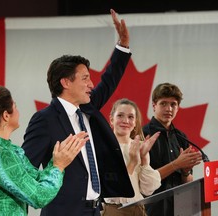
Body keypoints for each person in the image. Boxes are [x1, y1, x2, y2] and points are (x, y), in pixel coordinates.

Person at [21, 9, 134, 216]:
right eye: (84, 78)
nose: (91, 84)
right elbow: (24, 171)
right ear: (65, 82)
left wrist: (123, 45)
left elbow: (109, 81)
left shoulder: (87, 108)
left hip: (94, 211)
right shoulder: (44, 120)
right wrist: (55, 169)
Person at [0, 86, 88, 216]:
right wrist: (58, 165)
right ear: (6, 115)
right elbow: (39, 197)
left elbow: (37, 180)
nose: (18, 111)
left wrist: (57, 159)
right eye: (15, 106)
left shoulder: (9, 150)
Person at [142, 82, 203, 216]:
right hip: (151, 210)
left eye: (173, 104)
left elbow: (187, 181)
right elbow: (144, 181)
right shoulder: (143, 135)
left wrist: (185, 172)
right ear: (154, 105)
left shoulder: (182, 137)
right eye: (163, 103)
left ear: (178, 108)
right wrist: (177, 164)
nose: (168, 108)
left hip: (179, 208)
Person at [102, 98, 161, 216]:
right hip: (114, 210)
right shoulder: (102, 147)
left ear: (135, 123)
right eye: (120, 116)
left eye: (130, 117)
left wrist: (144, 159)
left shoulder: (140, 146)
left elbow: (148, 190)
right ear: (111, 119)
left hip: (138, 208)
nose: (125, 121)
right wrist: (133, 162)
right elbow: (114, 187)